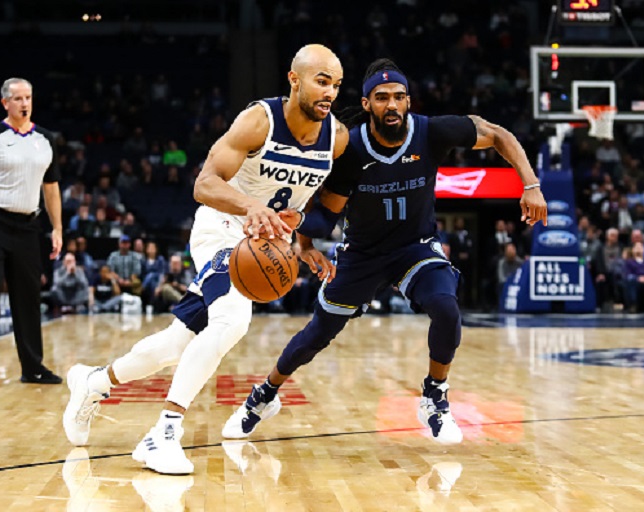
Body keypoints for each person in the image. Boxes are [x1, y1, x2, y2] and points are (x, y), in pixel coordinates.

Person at [222, 58, 547, 446]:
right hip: (362, 254)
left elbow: (496, 134)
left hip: (416, 248)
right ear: (366, 104)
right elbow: (327, 216)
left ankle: (434, 396)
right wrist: (300, 233)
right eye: (381, 98)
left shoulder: (432, 132)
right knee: (316, 335)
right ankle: (265, 394)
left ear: (408, 101)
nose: (391, 105)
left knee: (445, 306)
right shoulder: (351, 150)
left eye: (398, 97)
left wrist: (530, 185)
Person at [63, 44, 348, 474]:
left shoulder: (337, 138)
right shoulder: (259, 121)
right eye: (321, 81)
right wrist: (248, 206)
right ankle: (164, 433)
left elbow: (328, 207)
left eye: (337, 85)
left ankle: (94, 382)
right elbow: (204, 184)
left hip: (268, 243)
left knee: (178, 343)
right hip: (222, 231)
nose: (329, 92)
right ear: (294, 80)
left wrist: (304, 237)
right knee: (234, 319)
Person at [0, 77, 63, 387]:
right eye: (17, 98)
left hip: (29, 225)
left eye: (28, 97)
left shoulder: (45, 139)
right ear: (5, 103)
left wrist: (57, 228)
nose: (24, 103)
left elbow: (52, 187)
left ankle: (33, 368)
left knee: (28, 297)